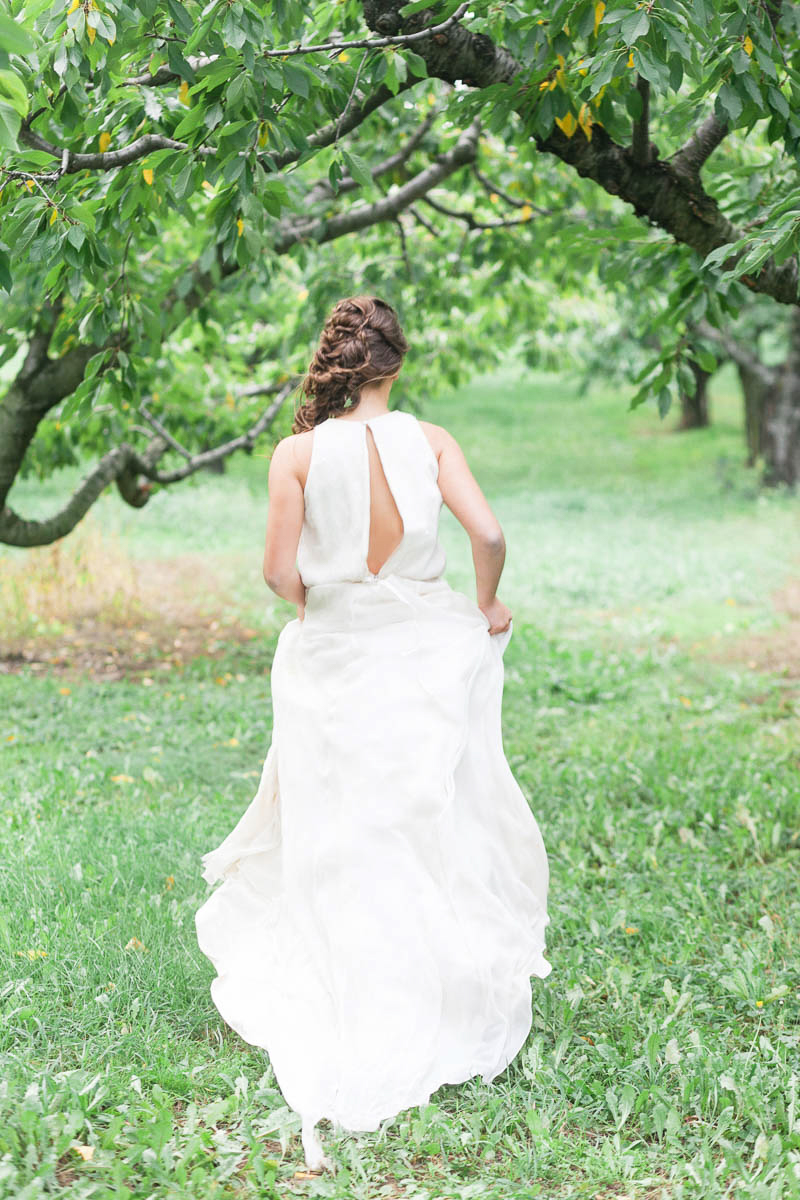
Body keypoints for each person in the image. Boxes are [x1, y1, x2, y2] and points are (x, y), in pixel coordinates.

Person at [195, 295, 552, 1173]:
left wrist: (327, 606)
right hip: (428, 643)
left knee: (339, 822)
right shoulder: (431, 442)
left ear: (336, 363)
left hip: (335, 650)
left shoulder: (297, 455)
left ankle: (352, 980)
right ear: (395, 366)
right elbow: (491, 533)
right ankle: (433, 982)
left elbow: (280, 571)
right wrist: (486, 601)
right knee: (426, 813)